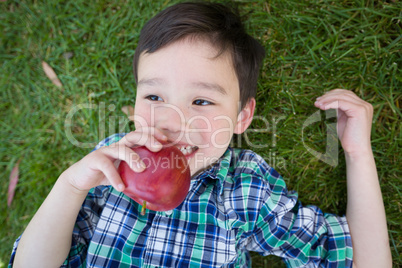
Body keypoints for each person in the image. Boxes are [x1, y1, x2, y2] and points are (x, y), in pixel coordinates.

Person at [10, 1, 391, 267]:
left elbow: (361, 259)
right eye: (155, 95)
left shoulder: (245, 191)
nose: (173, 120)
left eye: (203, 102)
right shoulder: (112, 167)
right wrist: (70, 186)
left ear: (242, 117)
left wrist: (358, 153)